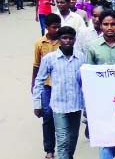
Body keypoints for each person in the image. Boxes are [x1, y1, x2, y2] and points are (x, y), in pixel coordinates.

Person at [33, 26, 86, 159]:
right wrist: (37, 104)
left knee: (72, 139)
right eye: (64, 38)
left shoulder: (81, 57)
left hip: (76, 105)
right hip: (58, 106)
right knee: (62, 140)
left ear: (74, 40)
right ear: (59, 40)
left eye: (70, 38)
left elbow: (86, 82)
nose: (67, 41)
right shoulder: (50, 59)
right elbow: (39, 81)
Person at [87, 10, 115, 159]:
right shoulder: (93, 46)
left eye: (113, 24)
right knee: (106, 136)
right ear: (100, 25)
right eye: (106, 24)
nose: (109, 27)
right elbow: (88, 74)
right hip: (102, 98)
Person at [32, 13, 61, 159]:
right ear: (47, 27)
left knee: (60, 117)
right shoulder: (39, 44)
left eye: (58, 27)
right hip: (46, 85)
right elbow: (36, 66)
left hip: (60, 85)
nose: (57, 30)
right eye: (54, 27)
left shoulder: (63, 42)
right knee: (47, 117)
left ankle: (63, 147)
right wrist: (33, 86)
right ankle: (49, 149)